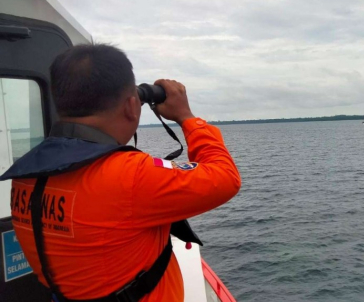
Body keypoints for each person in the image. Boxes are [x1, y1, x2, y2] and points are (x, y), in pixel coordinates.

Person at [7, 44, 241, 301]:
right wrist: (186, 117)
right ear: (132, 106)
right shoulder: (130, 176)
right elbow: (225, 177)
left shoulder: (26, 174)